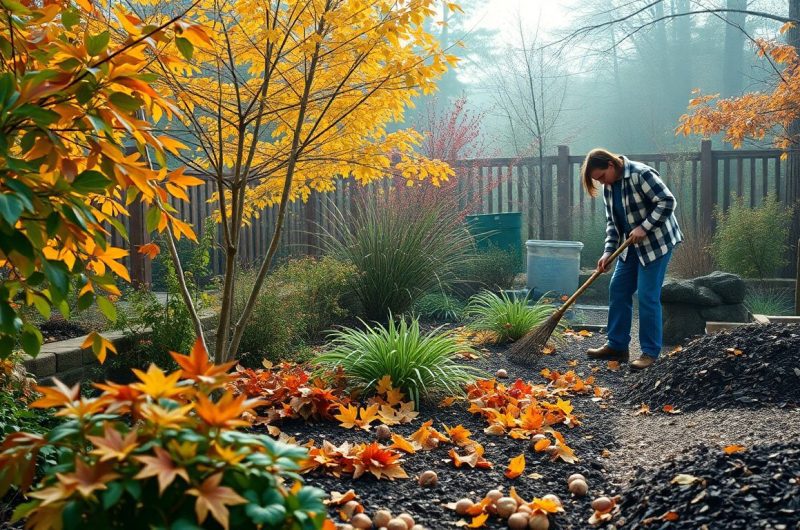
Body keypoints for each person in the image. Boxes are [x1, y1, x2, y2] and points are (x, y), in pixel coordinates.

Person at [580, 148, 683, 369]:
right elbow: (612, 224)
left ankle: (650, 352)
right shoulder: (609, 188)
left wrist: (644, 227)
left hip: (656, 244)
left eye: (601, 177)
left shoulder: (640, 174)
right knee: (618, 289)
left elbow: (667, 201)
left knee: (647, 295)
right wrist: (608, 252)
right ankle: (617, 346)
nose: (602, 183)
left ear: (610, 165)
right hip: (631, 247)